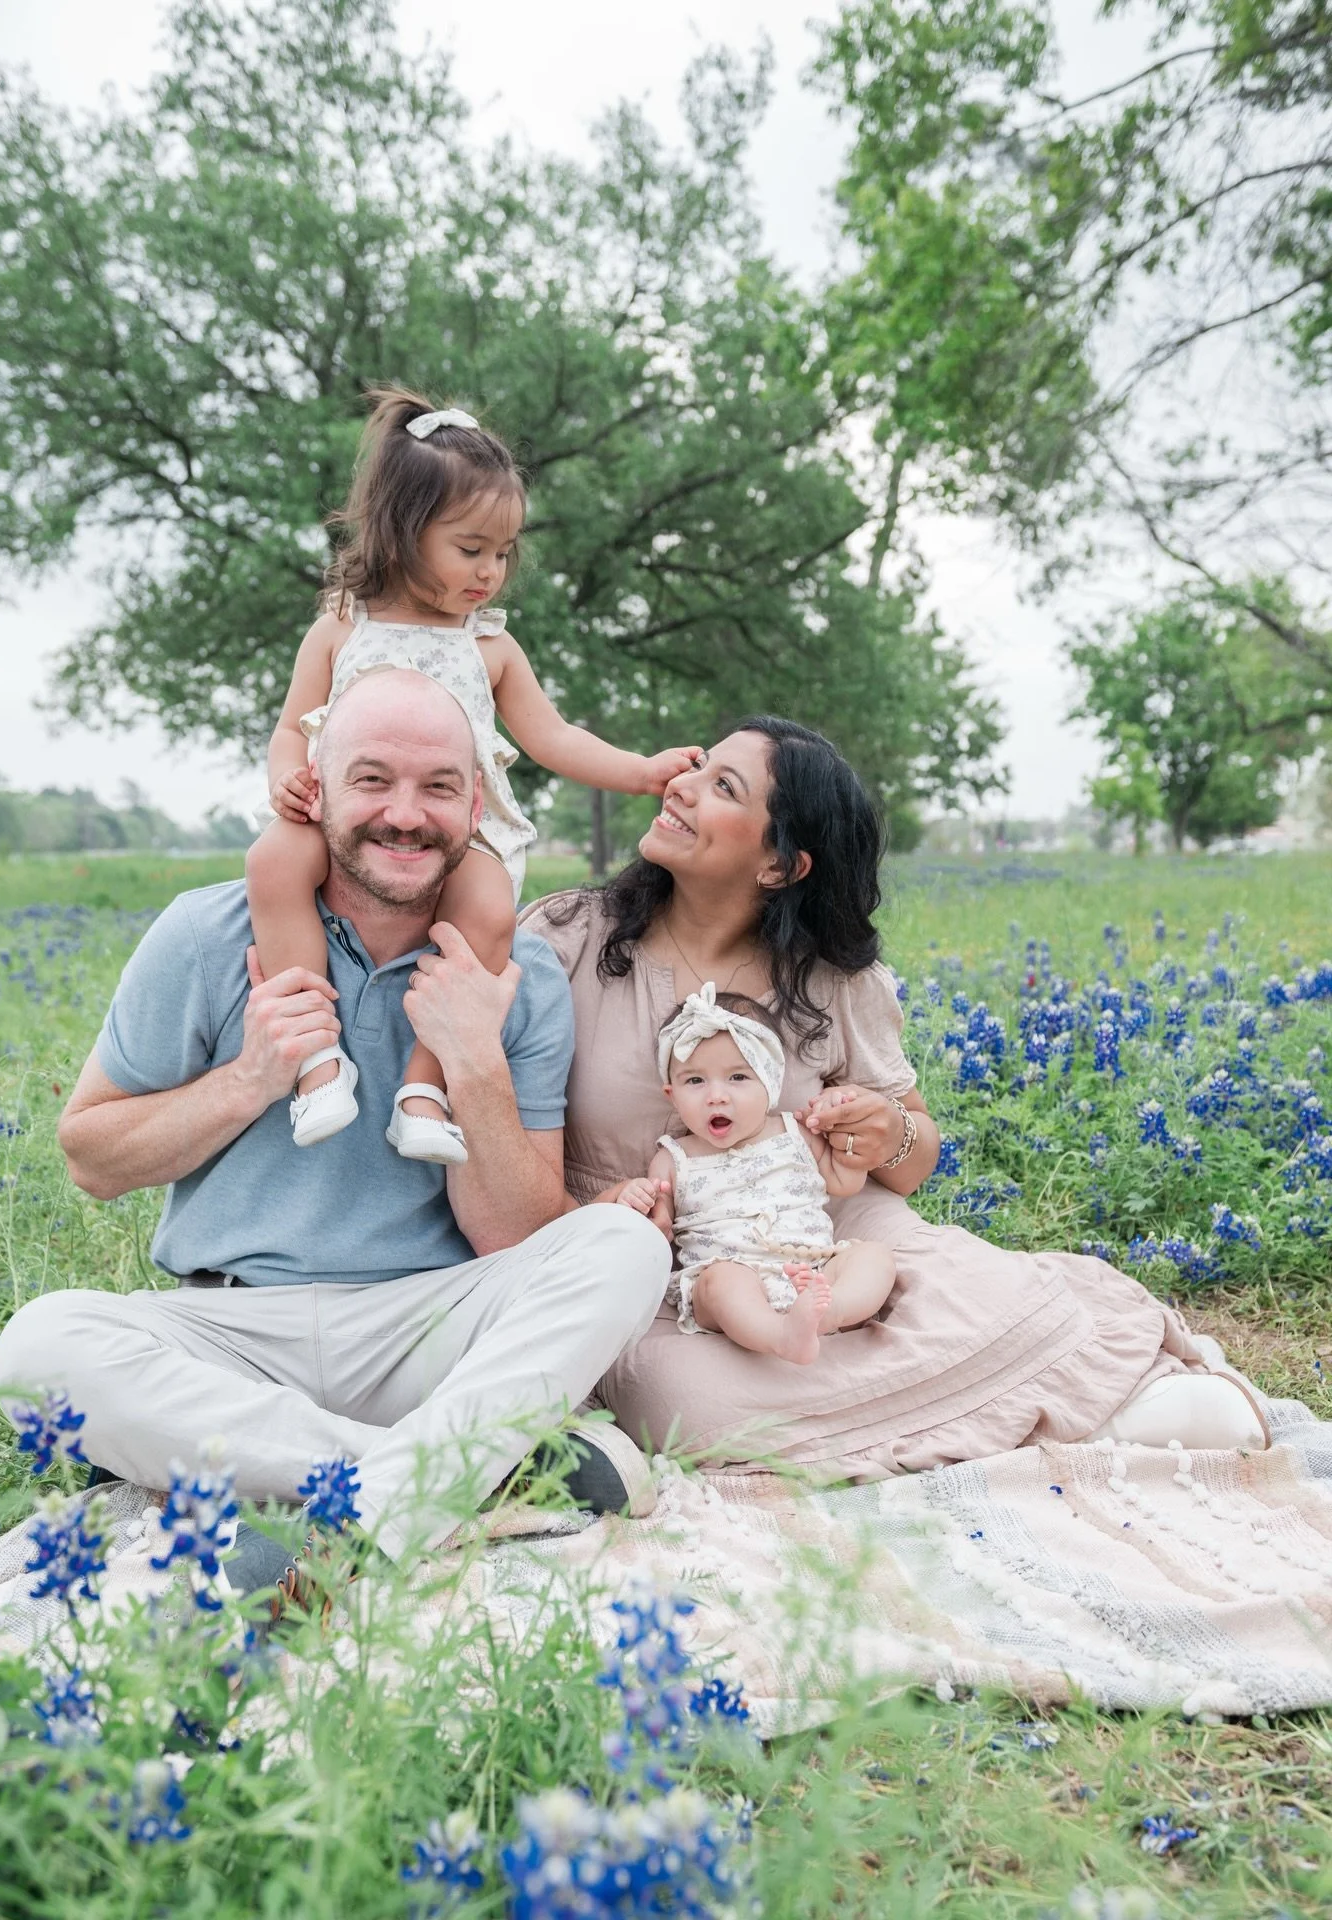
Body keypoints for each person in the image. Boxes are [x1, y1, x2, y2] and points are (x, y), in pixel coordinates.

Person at [0, 670, 672, 1563]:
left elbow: (515, 1234)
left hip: (425, 1329)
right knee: (37, 1352)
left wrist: (472, 1060)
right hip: (233, 1333)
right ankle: (441, 1475)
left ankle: (313, 1478)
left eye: (438, 787)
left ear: (475, 804)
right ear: (317, 787)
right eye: (373, 779)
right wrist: (250, 1078)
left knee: (621, 1246)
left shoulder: (518, 977)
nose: (406, 814)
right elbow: (92, 1158)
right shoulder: (205, 934)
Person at [522, 716, 1271, 1474]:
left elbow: (910, 1160)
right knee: (683, 1402)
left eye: (722, 786)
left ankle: (1103, 1377)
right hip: (663, 1265)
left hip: (825, 1227)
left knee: (987, 1293)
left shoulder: (834, 980)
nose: (678, 783)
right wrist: (594, 1217)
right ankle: (1035, 1400)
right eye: (701, 766)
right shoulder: (571, 939)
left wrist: (888, 1132)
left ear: (780, 864)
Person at [246, 385, 700, 1160]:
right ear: (403, 532)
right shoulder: (341, 629)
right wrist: (287, 776)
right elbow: (293, 725)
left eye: (503, 553)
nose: (490, 571)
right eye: (470, 549)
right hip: (343, 822)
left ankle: (425, 1086)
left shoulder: (489, 646)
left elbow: (553, 736)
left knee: (489, 907)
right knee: (271, 860)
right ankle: (315, 1057)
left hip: (458, 836)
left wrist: (638, 771)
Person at [614, 986, 896, 1364]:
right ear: (672, 1094)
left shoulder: (798, 1132)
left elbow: (847, 1182)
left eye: (738, 1078)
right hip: (729, 1275)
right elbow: (658, 1225)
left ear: (771, 1081)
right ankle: (781, 1335)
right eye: (695, 1081)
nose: (716, 1096)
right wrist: (639, 1198)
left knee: (874, 1258)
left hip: (810, 1265)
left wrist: (839, 1121)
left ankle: (832, 1310)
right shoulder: (673, 1157)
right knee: (721, 1283)